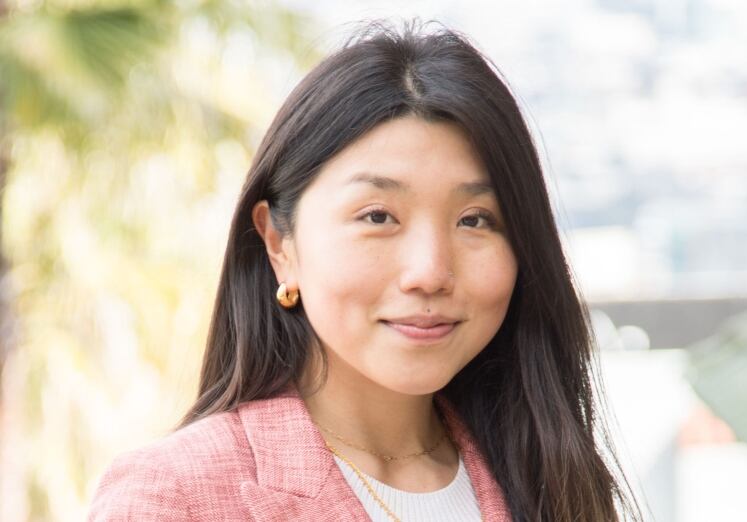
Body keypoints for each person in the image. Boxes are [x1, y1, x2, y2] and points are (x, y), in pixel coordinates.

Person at [87, 18, 644, 522]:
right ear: (280, 243)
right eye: (378, 216)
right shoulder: (173, 497)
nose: (429, 272)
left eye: (475, 220)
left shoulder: (553, 482)